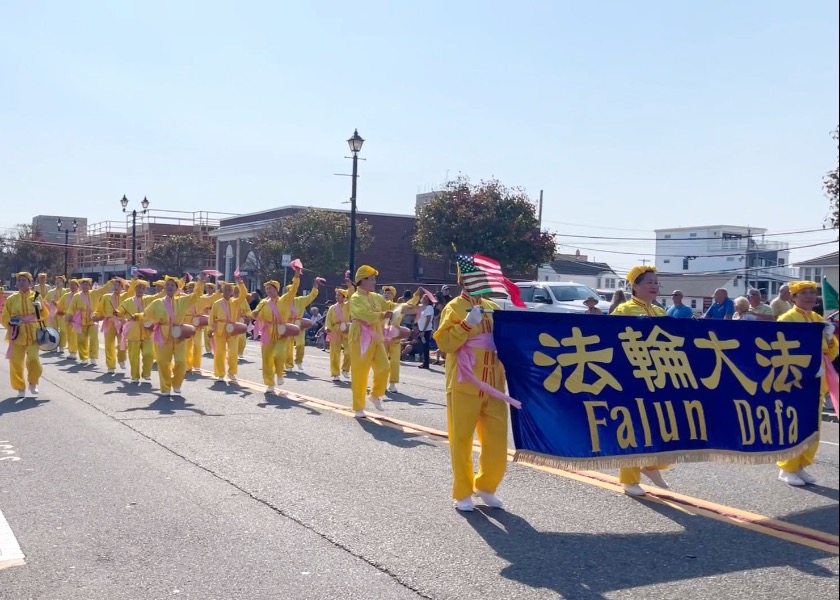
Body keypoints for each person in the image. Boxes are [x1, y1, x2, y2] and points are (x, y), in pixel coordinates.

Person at [434, 275, 520, 512]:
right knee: (461, 440)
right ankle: (463, 492)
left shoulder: (493, 308)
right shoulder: (454, 307)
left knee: (497, 442)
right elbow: (445, 344)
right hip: (465, 383)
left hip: (493, 385)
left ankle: (486, 486)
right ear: (465, 282)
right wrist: (465, 325)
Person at [611, 265, 671, 496]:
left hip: (659, 376)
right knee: (634, 427)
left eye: (656, 282)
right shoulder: (624, 310)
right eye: (649, 282)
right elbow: (612, 340)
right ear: (634, 286)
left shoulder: (660, 312)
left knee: (661, 424)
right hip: (633, 377)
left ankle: (651, 464)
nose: (654, 286)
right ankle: (629, 479)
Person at [776, 281, 839, 486]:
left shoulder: (818, 319)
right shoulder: (787, 319)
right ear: (793, 297)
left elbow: (831, 352)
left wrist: (830, 338)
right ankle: (787, 468)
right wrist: (804, 367)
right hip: (795, 380)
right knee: (794, 424)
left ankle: (801, 465)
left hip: (817, 381)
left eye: (812, 293)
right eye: (804, 293)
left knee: (814, 426)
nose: (810, 296)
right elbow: (780, 350)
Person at [143, 275, 203, 396]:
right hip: (163, 335)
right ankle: (165, 388)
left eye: (172, 285)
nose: (169, 287)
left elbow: (196, 296)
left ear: (177, 288)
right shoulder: (157, 303)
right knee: (163, 362)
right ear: (165, 288)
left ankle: (176, 384)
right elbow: (145, 314)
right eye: (168, 285)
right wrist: (135, 317)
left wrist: (201, 282)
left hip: (178, 335)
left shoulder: (182, 301)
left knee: (181, 361)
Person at [347, 265, 392, 417]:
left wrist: (414, 303)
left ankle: (375, 395)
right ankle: (358, 407)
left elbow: (391, 306)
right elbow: (363, 314)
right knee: (360, 372)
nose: (374, 282)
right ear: (362, 280)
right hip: (360, 336)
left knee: (384, 367)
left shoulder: (376, 297)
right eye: (372, 279)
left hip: (376, 336)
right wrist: (382, 315)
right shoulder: (355, 298)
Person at [1, 272, 50, 398]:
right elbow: (5, 316)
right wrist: (10, 322)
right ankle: (20, 388)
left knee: (34, 361)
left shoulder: (37, 297)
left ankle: (33, 383)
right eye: (19, 280)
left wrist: (40, 309)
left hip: (33, 335)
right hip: (17, 335)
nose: (21, 282)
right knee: (16, 363)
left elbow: (45, 315)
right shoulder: (12, 299)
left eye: (24, 280)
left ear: (30, 283)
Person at [250, 273, 300, 393]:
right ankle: (269, 384)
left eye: (270, 288)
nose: (268, 291)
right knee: (266, 358)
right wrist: (255, 314)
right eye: (266, 289)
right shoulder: (263, 302)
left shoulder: (284, 300)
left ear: (276, 290)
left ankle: (280, 374)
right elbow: (255, 312)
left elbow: (293, 290)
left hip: (281, 332)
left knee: (279, 354)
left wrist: (297, 276)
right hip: (267, 332)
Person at [208, 278, 249, 382]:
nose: (227, 291)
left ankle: (232, 372)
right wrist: (210, 329)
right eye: (225, 289)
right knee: (220, 353)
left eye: (229, 290)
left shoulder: (235, 302)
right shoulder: (217, 303)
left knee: (233, 352)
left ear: (232, 292)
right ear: (222, 291)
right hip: (220, 330)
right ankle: (220, 373)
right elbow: (211, 317)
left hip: (232, 330)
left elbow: (244, 293)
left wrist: (240, 282)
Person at [95, 277, 136, 374]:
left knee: (122, 344)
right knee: (109, 345)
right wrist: (95, 315)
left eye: (119, 286)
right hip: (109, 322)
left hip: (121, 322)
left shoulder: (126, 296)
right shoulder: (106, 297)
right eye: (115, 285)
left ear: (122, 288)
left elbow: (132, 290)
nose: (117, 287)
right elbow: (99, 309)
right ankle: (111, 366)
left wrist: (126, 282)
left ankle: (121, 359)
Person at [118, 279, 155, 383]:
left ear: (145, 290)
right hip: (133, 332)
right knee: (134, 356)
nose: (140, 290)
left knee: (149, 354)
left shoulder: (149, 300)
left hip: (147, 331)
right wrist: (117, 313)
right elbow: (120, 311)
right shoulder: (128, 301)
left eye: (143, 288)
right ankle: (135, 376)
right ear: (135, 289)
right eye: (139, 287)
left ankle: (146, 373)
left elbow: (160, 297)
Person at [68, 278, 111, 366]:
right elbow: (72, 307)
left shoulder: (94, 293)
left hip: (93, 319)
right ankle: (84, 357)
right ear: (80, 286)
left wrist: (110, 283)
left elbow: (104, 289)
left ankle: (93, 357)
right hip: (80, 320)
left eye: (87, 285)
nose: (85, 286)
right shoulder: (77, 296)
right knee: (81, 340)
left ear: (90, 286)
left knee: (94, 338)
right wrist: (69, 316)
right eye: (83, 285)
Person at [285, 279, 322, 372]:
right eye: (289, 291)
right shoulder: (283, 301)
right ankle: (289, 364)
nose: (291, 293)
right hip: (288, 325)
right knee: (288, 345)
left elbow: (311, 296)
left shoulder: (300, 300)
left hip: (299, 324)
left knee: (301, 344)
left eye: (293, 291)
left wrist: (315, 286)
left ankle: (299, 361)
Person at [324, 287, 352, 381]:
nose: (337, 297)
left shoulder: (348, 305)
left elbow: (352, 297)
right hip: (335, 330)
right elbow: (328, 319)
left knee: (349, 352)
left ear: (344, 297)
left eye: (339, 295)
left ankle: (345, 369)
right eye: (336, 295)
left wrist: (351, 287)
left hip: (346, 330)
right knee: (335, 353)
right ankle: (335, 373)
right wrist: (327, 327)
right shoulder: (332, 308)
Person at [57, 279, 80, 360]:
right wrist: (56, 305)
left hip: (77, 319)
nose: (72, 287)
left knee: (74, 335)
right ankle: (71, 352)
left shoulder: (80, 295)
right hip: (67, 318)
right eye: (71, 285)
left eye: (74, 285)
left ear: (78, 286)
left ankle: (74, 352)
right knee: (69, 335)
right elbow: (60, 305)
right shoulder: (66, 295)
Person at [45, 276, 68, 355]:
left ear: (63, 283)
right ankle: (54, 346)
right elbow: (45, 301)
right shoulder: (51, 292)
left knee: (63, 330)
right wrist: (49, 307)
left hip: (62, 313)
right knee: (53, 330)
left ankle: (61, 346)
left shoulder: (66, 292)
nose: (58, 282)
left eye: (60, 281)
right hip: (53, 314)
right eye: (57, 281)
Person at [416, 294, 435, 368]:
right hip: (421, 329)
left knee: (425, 346)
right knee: (423, 346)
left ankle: (426, 363)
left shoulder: (429, 307)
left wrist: (423, 330)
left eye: (425, 297)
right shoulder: (422, 307)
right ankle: (424, 362)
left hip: (426, 330)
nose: (423, 298)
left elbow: (428, 319)